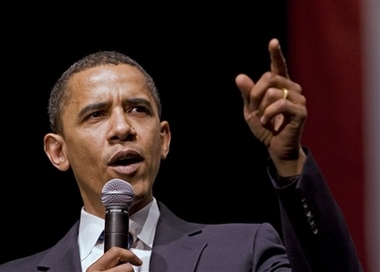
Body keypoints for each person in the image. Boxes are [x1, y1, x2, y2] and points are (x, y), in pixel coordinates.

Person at [0, 38, 362, 272]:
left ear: (163, 139)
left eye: (138, 109)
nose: (123, 128)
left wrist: (289, 162)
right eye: (96, 114)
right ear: (57, 151)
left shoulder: (243, 253)